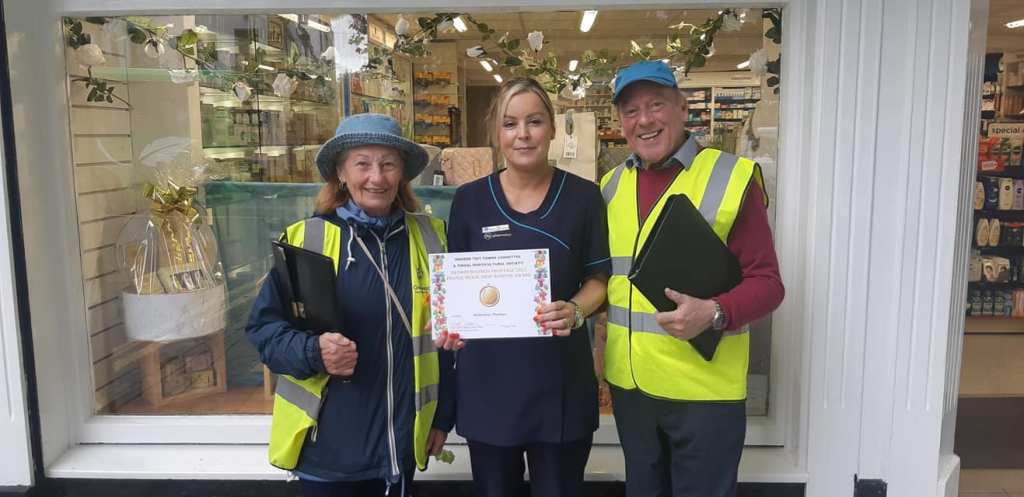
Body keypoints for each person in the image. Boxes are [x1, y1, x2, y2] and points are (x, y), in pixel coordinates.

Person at [600, 60, 785, 497]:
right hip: (631, 391)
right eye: (631, 110)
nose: (644, 120)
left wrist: (716, 312)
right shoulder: (609, 186)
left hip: (703, 394)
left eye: (656, 105)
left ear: (683, 108)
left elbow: (768, 284)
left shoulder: (730, 177)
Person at [246, 113, 454, 497]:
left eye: (388, 164)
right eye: (362, 164)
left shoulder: (432, 238)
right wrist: (314, 351)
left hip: (400, 449)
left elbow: (448, 339)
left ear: (402, 173)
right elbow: (263, 332)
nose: (377, 177)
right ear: (341, 173)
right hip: (327, 454)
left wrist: (443, 416)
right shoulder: (306, 240)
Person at [435, 78, 611, 497]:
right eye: (510, 123)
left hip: (560, 385)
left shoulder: (584, 198)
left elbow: (598, 281)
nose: (523, 134)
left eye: (534, 121)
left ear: (552, 128)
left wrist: (575, 309)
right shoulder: (470, 201)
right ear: (496, 133)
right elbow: (456, 287)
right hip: (489, 385)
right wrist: (450, 322)